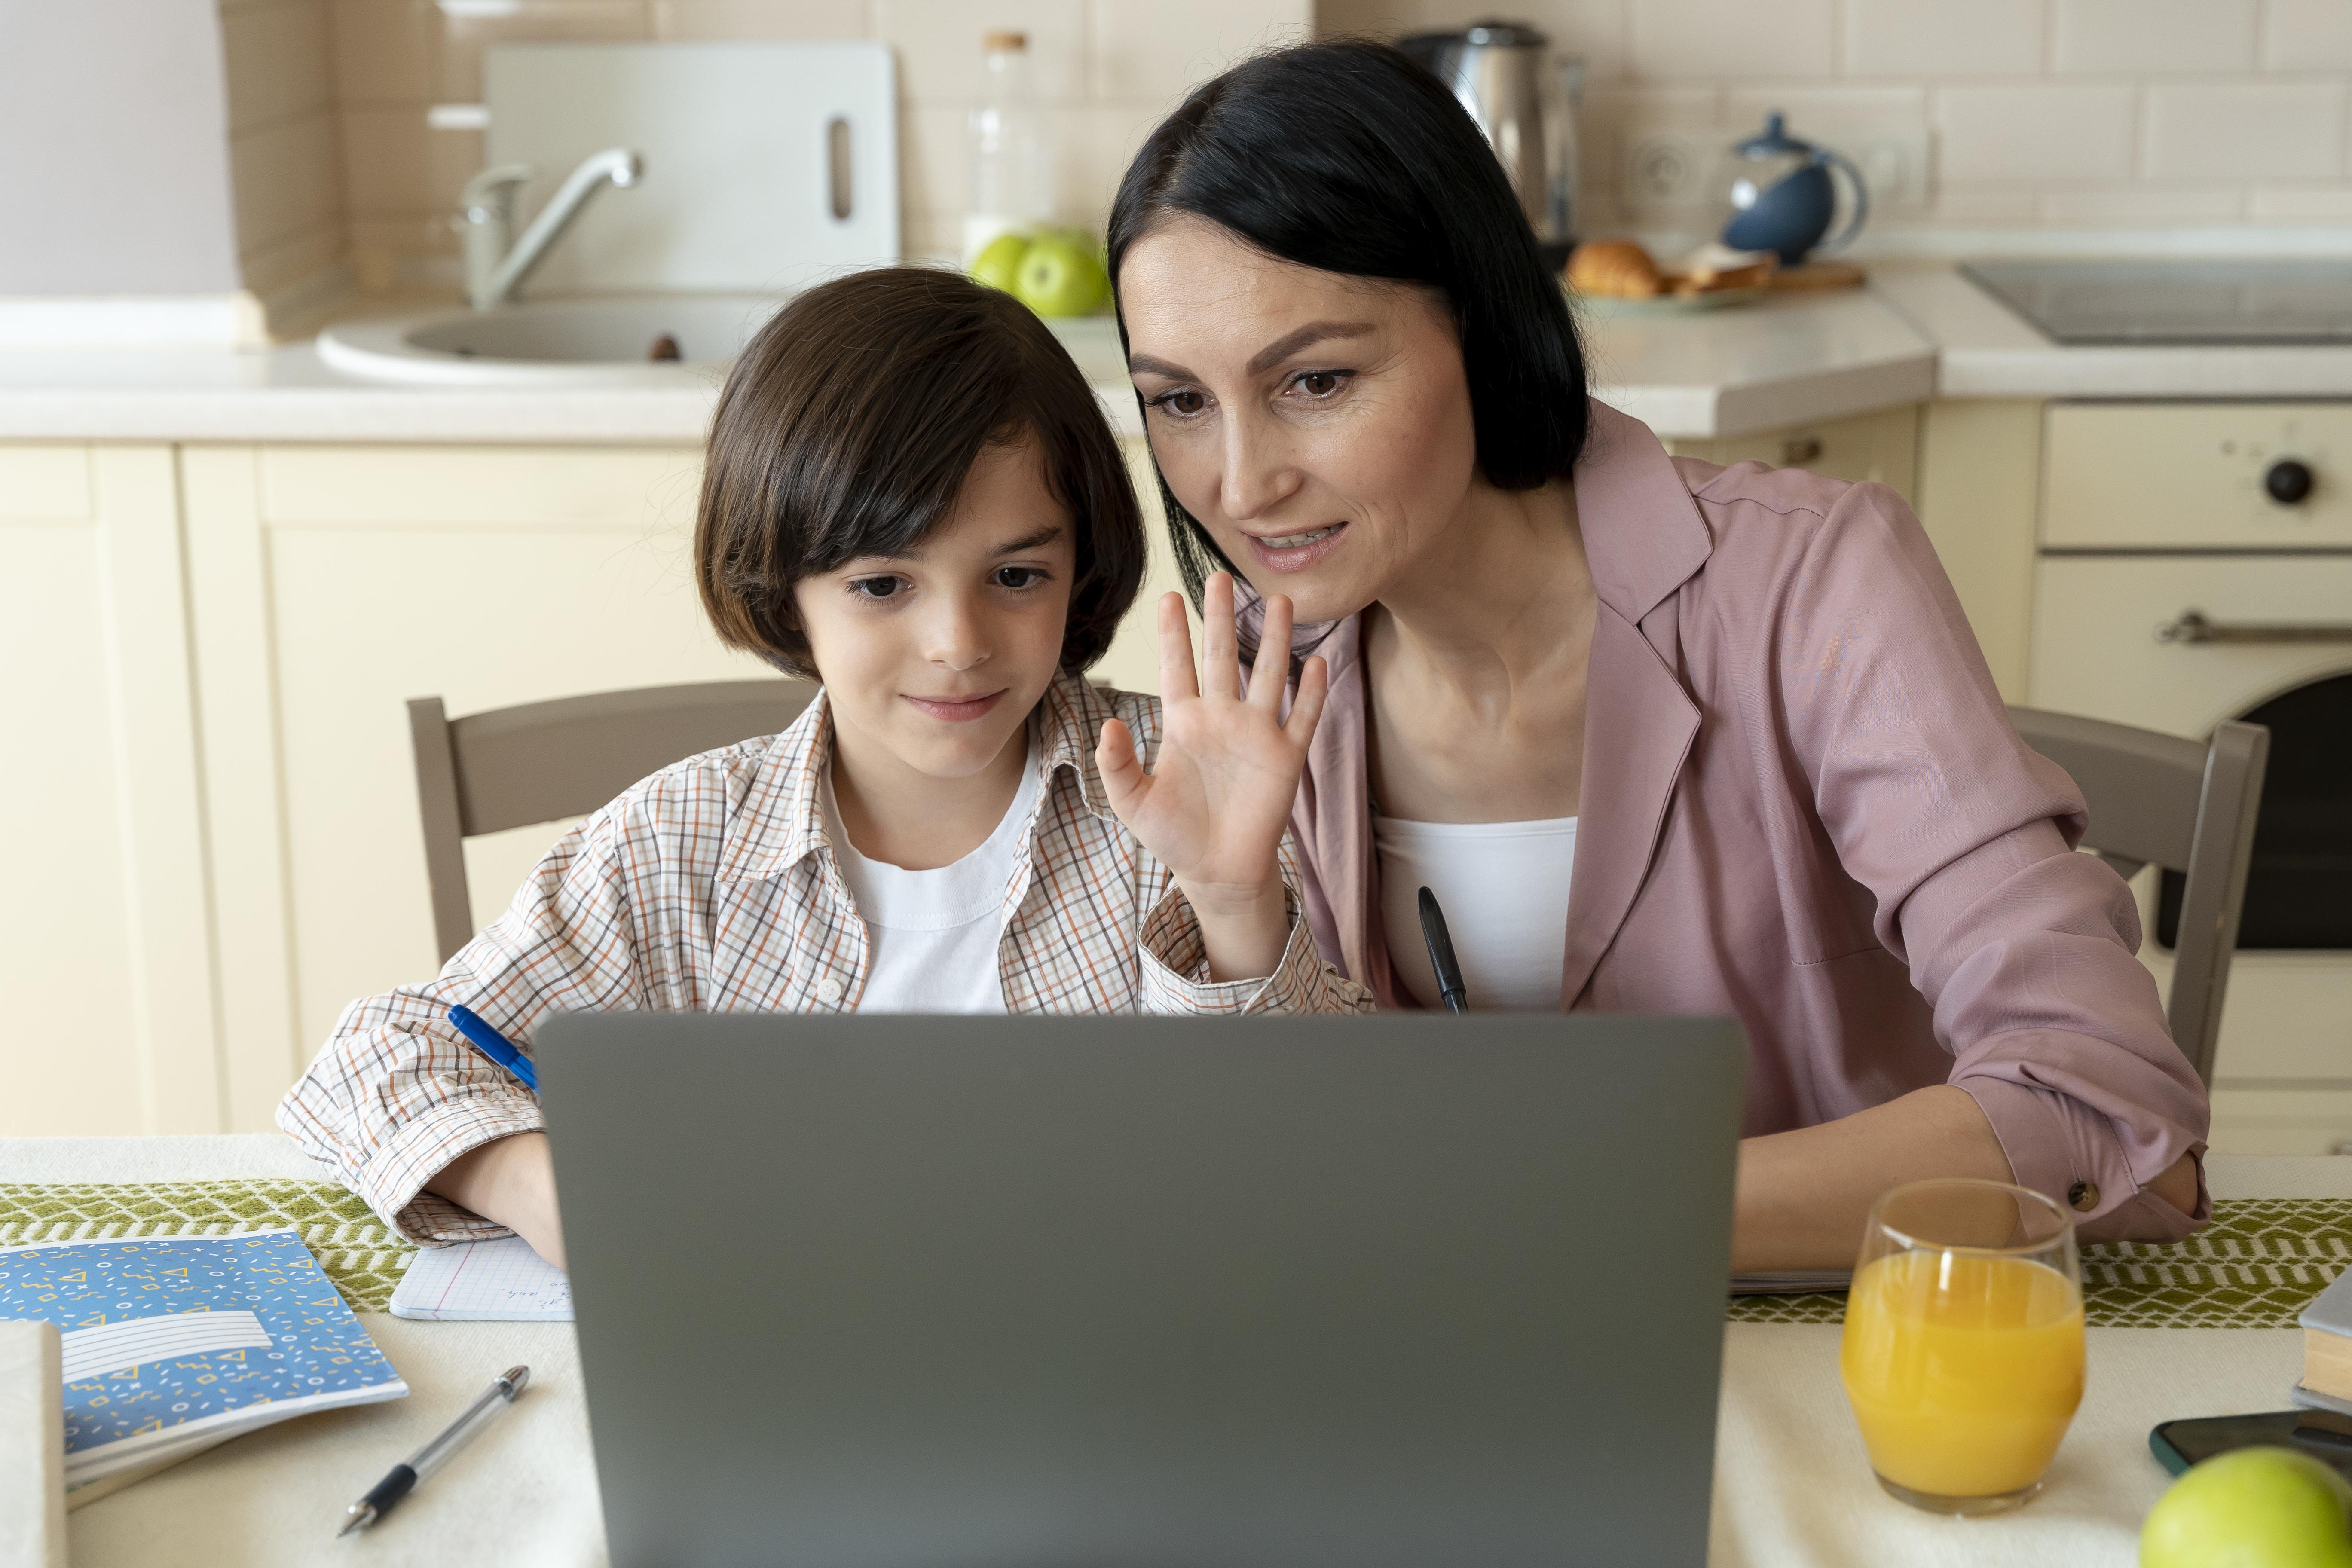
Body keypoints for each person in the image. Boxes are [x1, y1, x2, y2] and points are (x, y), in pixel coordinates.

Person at [1104, 40, 2208, 1267]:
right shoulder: (1265, 682)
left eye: (1315, 380)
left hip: (1860, 1353)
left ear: (1478, 321)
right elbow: (1322, 1173)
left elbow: (2099, 1103)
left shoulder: (1813, 581)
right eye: (1180, 402)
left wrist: (1580, 1207)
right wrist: (1236, 912)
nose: (1244, 484)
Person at [279, 268, 1368, 1269]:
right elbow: (373, 1059)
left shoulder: (1186, 793)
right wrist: (538, 1180)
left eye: (1017, 573)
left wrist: (1234, 906)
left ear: (1082, 566)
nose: (958, 641)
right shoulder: (679, 847)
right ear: (782, 587)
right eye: (883, 585)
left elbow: (1330, 1168)